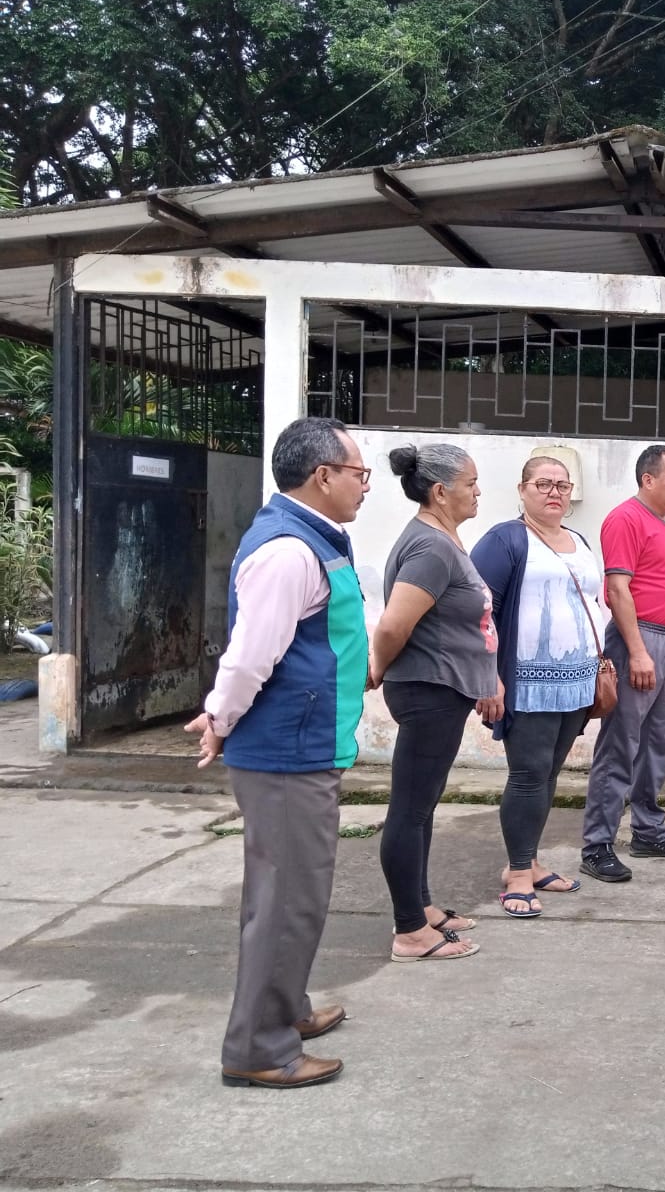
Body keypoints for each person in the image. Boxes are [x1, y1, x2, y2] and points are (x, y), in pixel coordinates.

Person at [185, 416, 370, 1089]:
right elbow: (249, 656)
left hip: (306, 742)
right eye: (359, 473)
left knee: (290, 893)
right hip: (287, 750)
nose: (365, 485)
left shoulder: (312, 538)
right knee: (287, 899)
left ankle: (286, 1008)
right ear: (322, 476)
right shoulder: (289, 551)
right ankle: (259, 1048)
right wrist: (219, 717)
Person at [369, 443, 498, 960]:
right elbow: (394, 624)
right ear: (441, 491)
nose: (478, 491)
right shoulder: (431, 548)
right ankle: (409, 933)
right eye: (470, 483)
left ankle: (420, 907)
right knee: (410, 810)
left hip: (440, 688)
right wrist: (378, 666)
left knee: (421, 809)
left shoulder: (440, 539)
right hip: (429, 690)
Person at [470, 454, 603, 917]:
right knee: (528, 776)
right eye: (543, 484)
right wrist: (489, 677)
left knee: (548, 775)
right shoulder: (505, 539)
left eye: (562, 486)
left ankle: (529, 860)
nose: (554, 493)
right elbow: (478, 612)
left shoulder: (579, 540)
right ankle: (518, 874)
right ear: (522, 489)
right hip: (527, 681)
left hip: (577, 680)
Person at [581, 444, 665, 881]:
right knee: (621, 745)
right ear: (648, 479)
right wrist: (637, 651)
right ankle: (597, 845)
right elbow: (617, 589)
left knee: (657, 743)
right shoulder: (625, 518)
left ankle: (648, 830)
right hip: (641, 639)